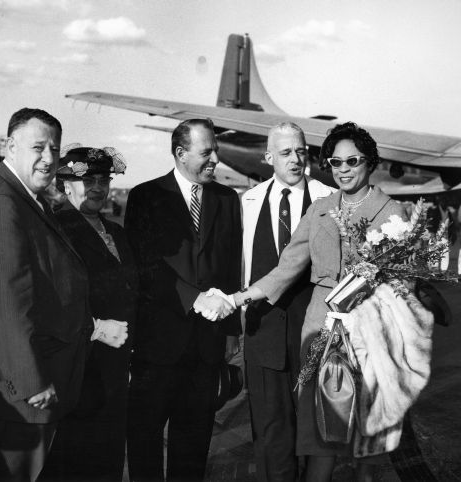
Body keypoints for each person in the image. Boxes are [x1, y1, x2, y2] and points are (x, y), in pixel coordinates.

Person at [218, 122, 408, 482]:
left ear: (371, 162)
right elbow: (285, 269)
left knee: (365, 449)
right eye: (336, 163)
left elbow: (402, 282)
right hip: (320, 338)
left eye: (353, 161)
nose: (345, 169)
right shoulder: (320, 209)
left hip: (369, 337)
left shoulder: (392, 212)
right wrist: (238, 298)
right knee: (321, 439)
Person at [0, 109, 123, 481]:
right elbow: (3, 304)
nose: (47, 158)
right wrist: (31, 381)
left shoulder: (24, 197)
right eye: (37, 147)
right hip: (16, 396)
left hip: (22, 390)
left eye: (54, 149)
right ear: (10, 146)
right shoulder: (0, 203)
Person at [124, 118, 242, 482]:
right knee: (144, 441)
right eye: (206, 152)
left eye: (216, 151)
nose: (215, 160)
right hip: (157, 345)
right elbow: (145, 267)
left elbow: (229, 268)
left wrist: (230, 332)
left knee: (192, 447)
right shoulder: (145, 197)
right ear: (180, 153)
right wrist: (194, 299)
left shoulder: (227, 199)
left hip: (205, 349)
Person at [241, 122, 334, 482]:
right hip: (263, 331)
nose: (295, 160)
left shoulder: (328, 198)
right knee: (270, 431)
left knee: (315, 428)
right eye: (285, 153)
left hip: (314, 332)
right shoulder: (247, 202)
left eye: (300, 151)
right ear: (268, 158)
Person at [44, 145, 138, 482]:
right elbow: (51, 303)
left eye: (103, 179)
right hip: (79, 366)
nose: (97, 187)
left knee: (108, 458)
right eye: (88, 181)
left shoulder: (117, 233)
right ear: (65, 184)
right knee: (75, 459)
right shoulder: (56, 229)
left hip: (115, 369)